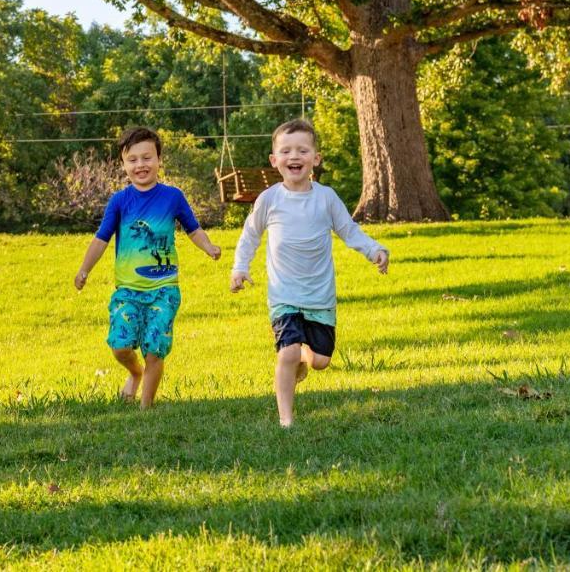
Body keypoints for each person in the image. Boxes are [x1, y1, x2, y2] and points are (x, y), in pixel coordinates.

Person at [230, 118, 389, 427]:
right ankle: (286, 420)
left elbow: (348, 230)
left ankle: (305, 357)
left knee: (320, 361)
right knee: (287, 353)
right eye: (286, 151)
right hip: (284, 295)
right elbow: (250, 236)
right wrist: (239, 268)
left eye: (302, 150)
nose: (294, 157)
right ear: (274, 161)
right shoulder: (269, 199)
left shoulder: (326, 197)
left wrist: (374, 250)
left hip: (320, 296)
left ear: (315, 159)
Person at [75, 126, 221, 407]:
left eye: (147, 158)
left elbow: (193, 229)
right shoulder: (119, 201)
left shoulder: (173, 197)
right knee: (120, 346)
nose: (140, 165)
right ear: (123, 164)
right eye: (133, 159)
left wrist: (209, 247)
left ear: (158, 160)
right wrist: (84, 270)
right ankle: (135, 372)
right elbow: (101, 239)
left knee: (155, 349)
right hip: (128, 290)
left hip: (164, 289)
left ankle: (146, 407)